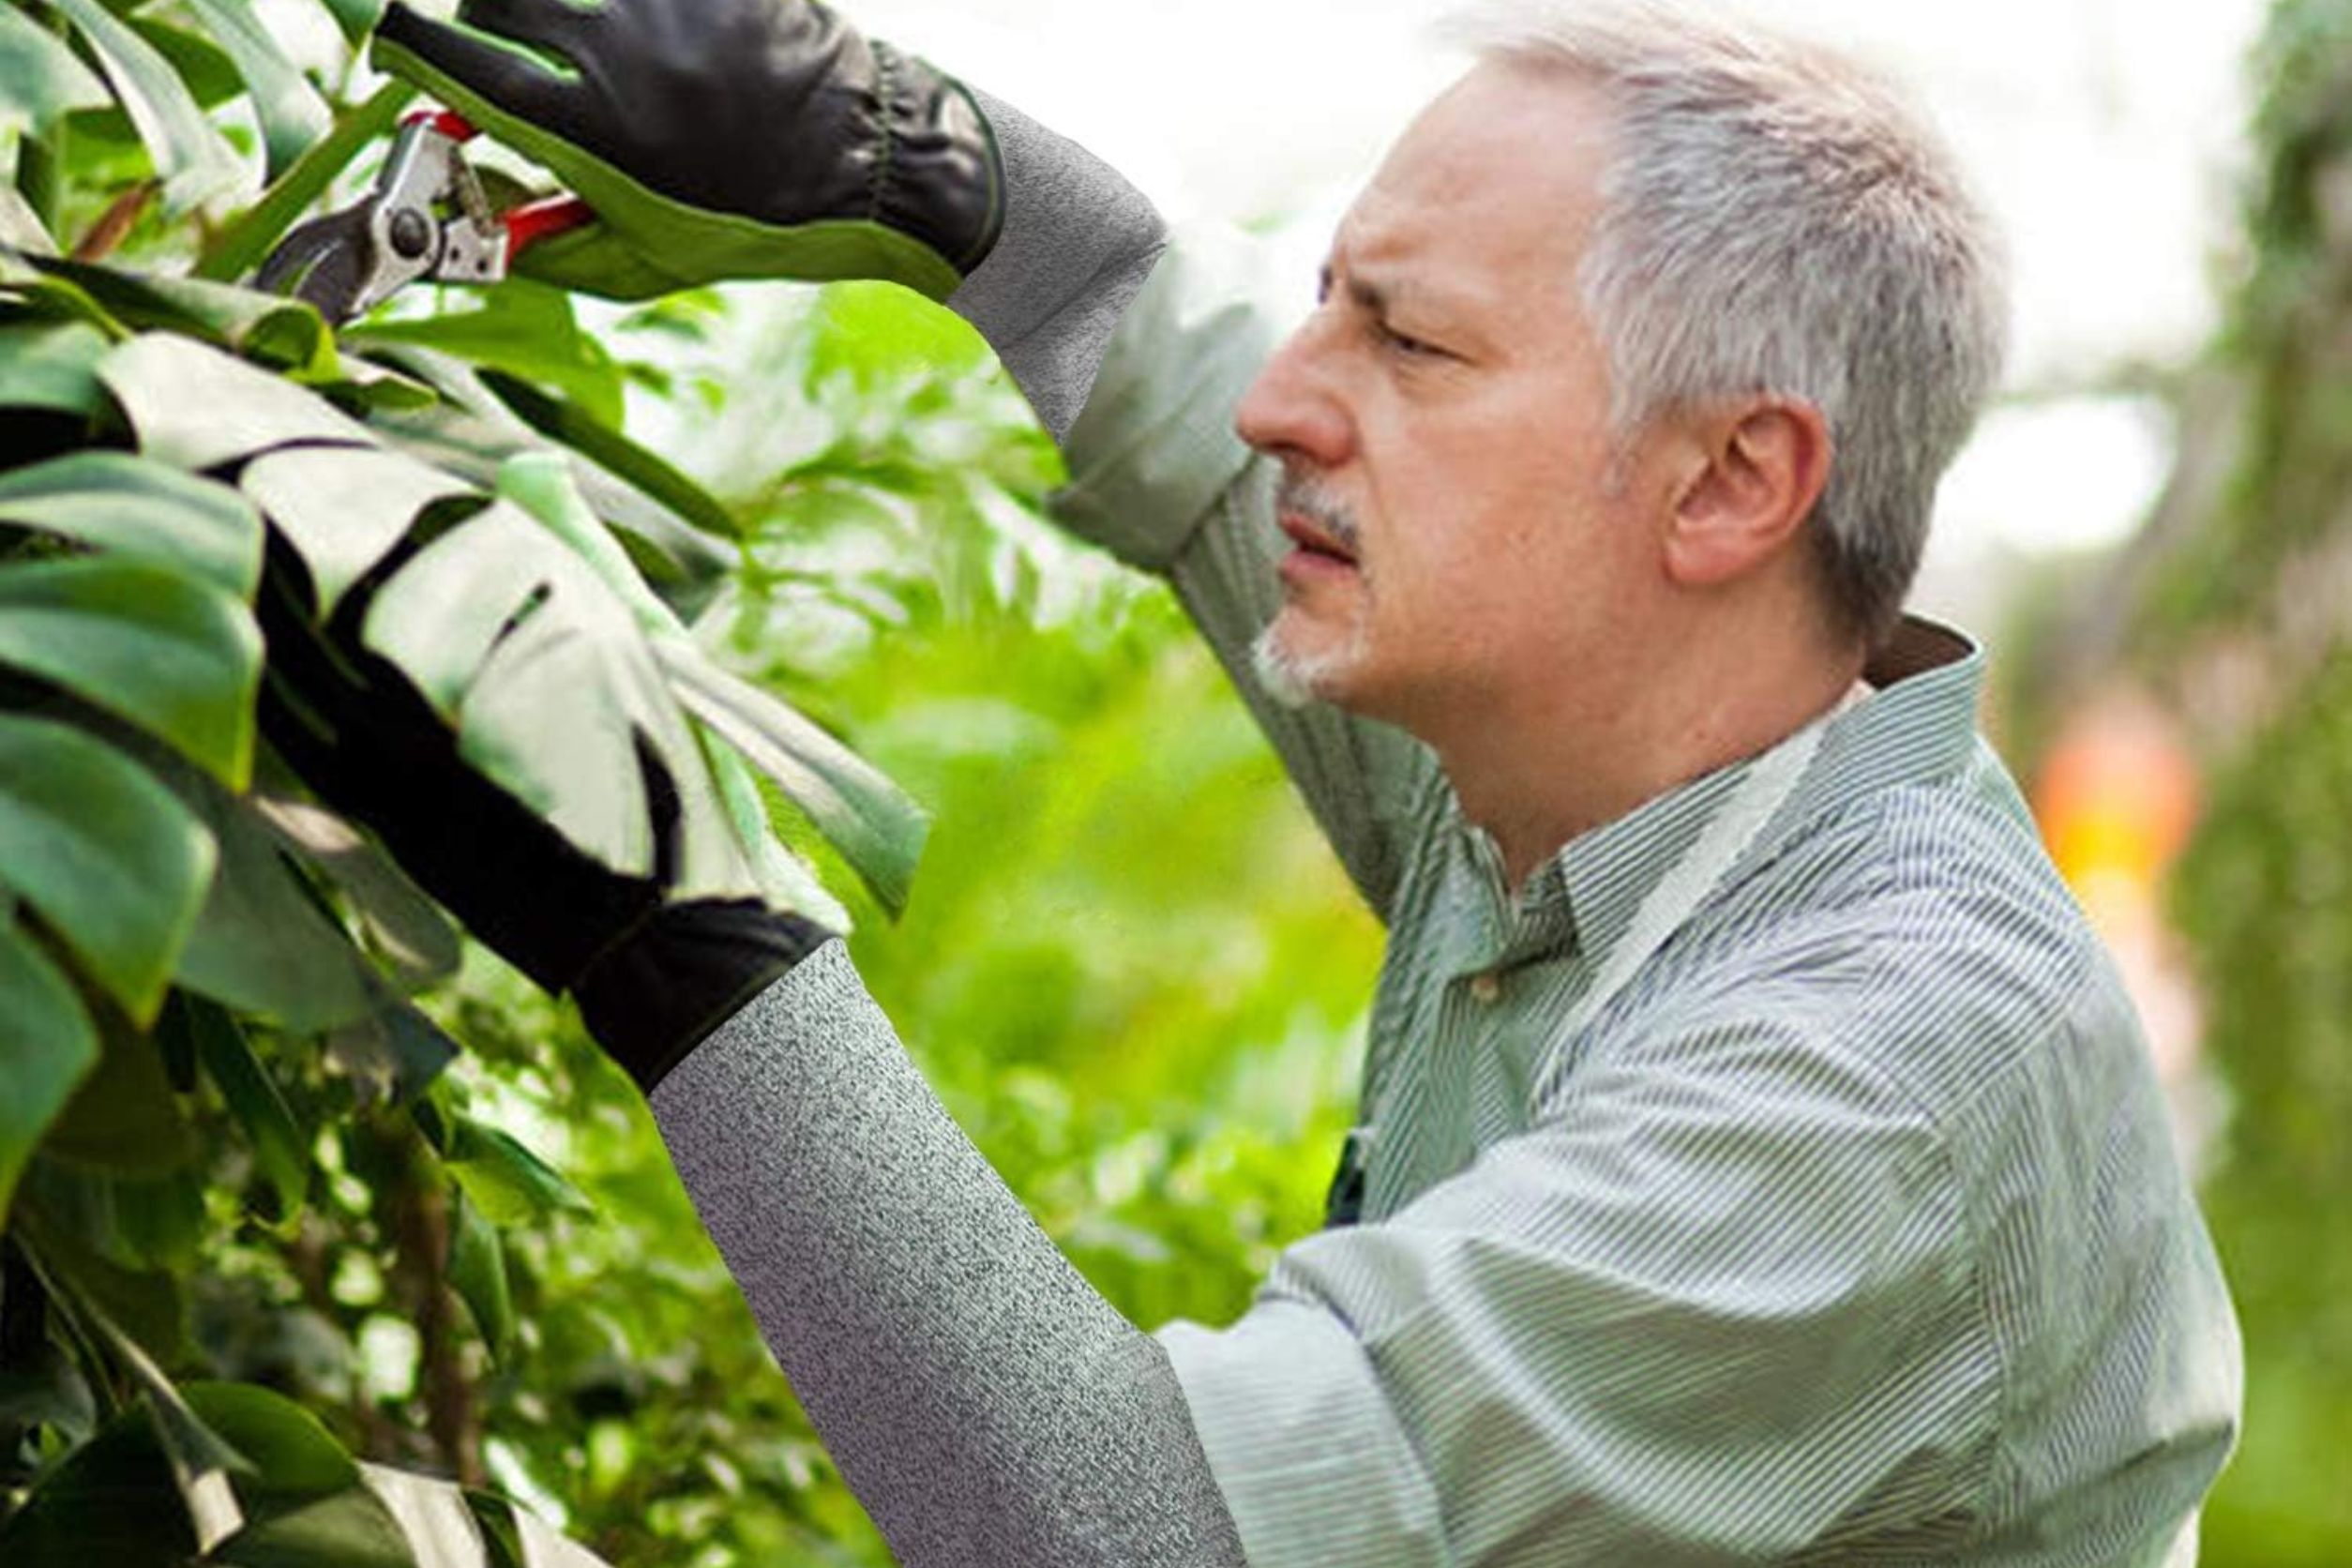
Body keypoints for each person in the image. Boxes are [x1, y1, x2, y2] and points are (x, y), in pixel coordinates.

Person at [274, 0, 2244, 1561]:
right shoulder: (1571, 764)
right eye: (1327, 299)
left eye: (1409, 342)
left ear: (1731, 480)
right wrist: (899, 148)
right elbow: (1142, 334)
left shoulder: (1892, 1068)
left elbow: (1134, 1532)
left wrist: (673, 922)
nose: (1287, 396)